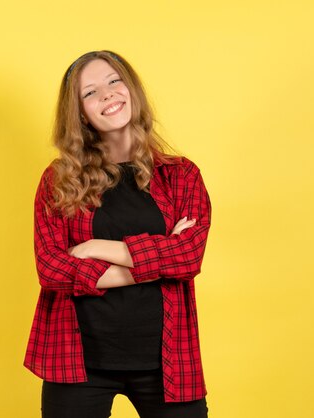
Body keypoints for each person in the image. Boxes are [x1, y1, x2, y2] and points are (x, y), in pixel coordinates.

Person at [24, 50, 212, 418]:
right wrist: (159, 259)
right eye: (90, 92)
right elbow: (51, 269)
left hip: (167, 361)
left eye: (114, 82)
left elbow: (189, 257)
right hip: (78, 363)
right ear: (79, 112)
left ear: (132, 91)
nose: (107, 95)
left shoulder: (181, 176)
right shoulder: (59, 180)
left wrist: (96, 247)